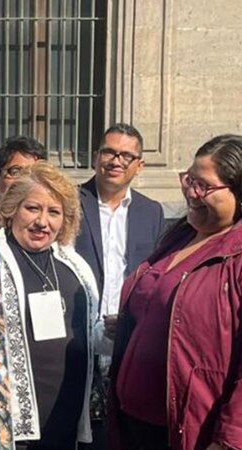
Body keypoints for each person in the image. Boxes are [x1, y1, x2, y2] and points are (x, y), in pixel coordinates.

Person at [108, 134, 242, 450]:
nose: (191, 193)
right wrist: (133, 322)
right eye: (189, 180)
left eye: (204, 186)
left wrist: (229, 440)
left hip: (187, 432)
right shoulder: (179, 236)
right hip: (131, 423)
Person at [74, 123, 165, 449]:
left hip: (127, 342)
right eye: (110, 152)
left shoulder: (151, 212)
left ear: (139, 165)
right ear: (97, 156)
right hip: (78, 338)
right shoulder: (71, 202)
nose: (117, 160)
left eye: (127, 155)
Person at [0, 161, 98, 449]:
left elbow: (89, 335)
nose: (43, 222)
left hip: (65, 417)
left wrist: (113, 333)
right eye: (33, 208)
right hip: (15, 424)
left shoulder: (75, 266)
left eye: (54, 212)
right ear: (12, 209)